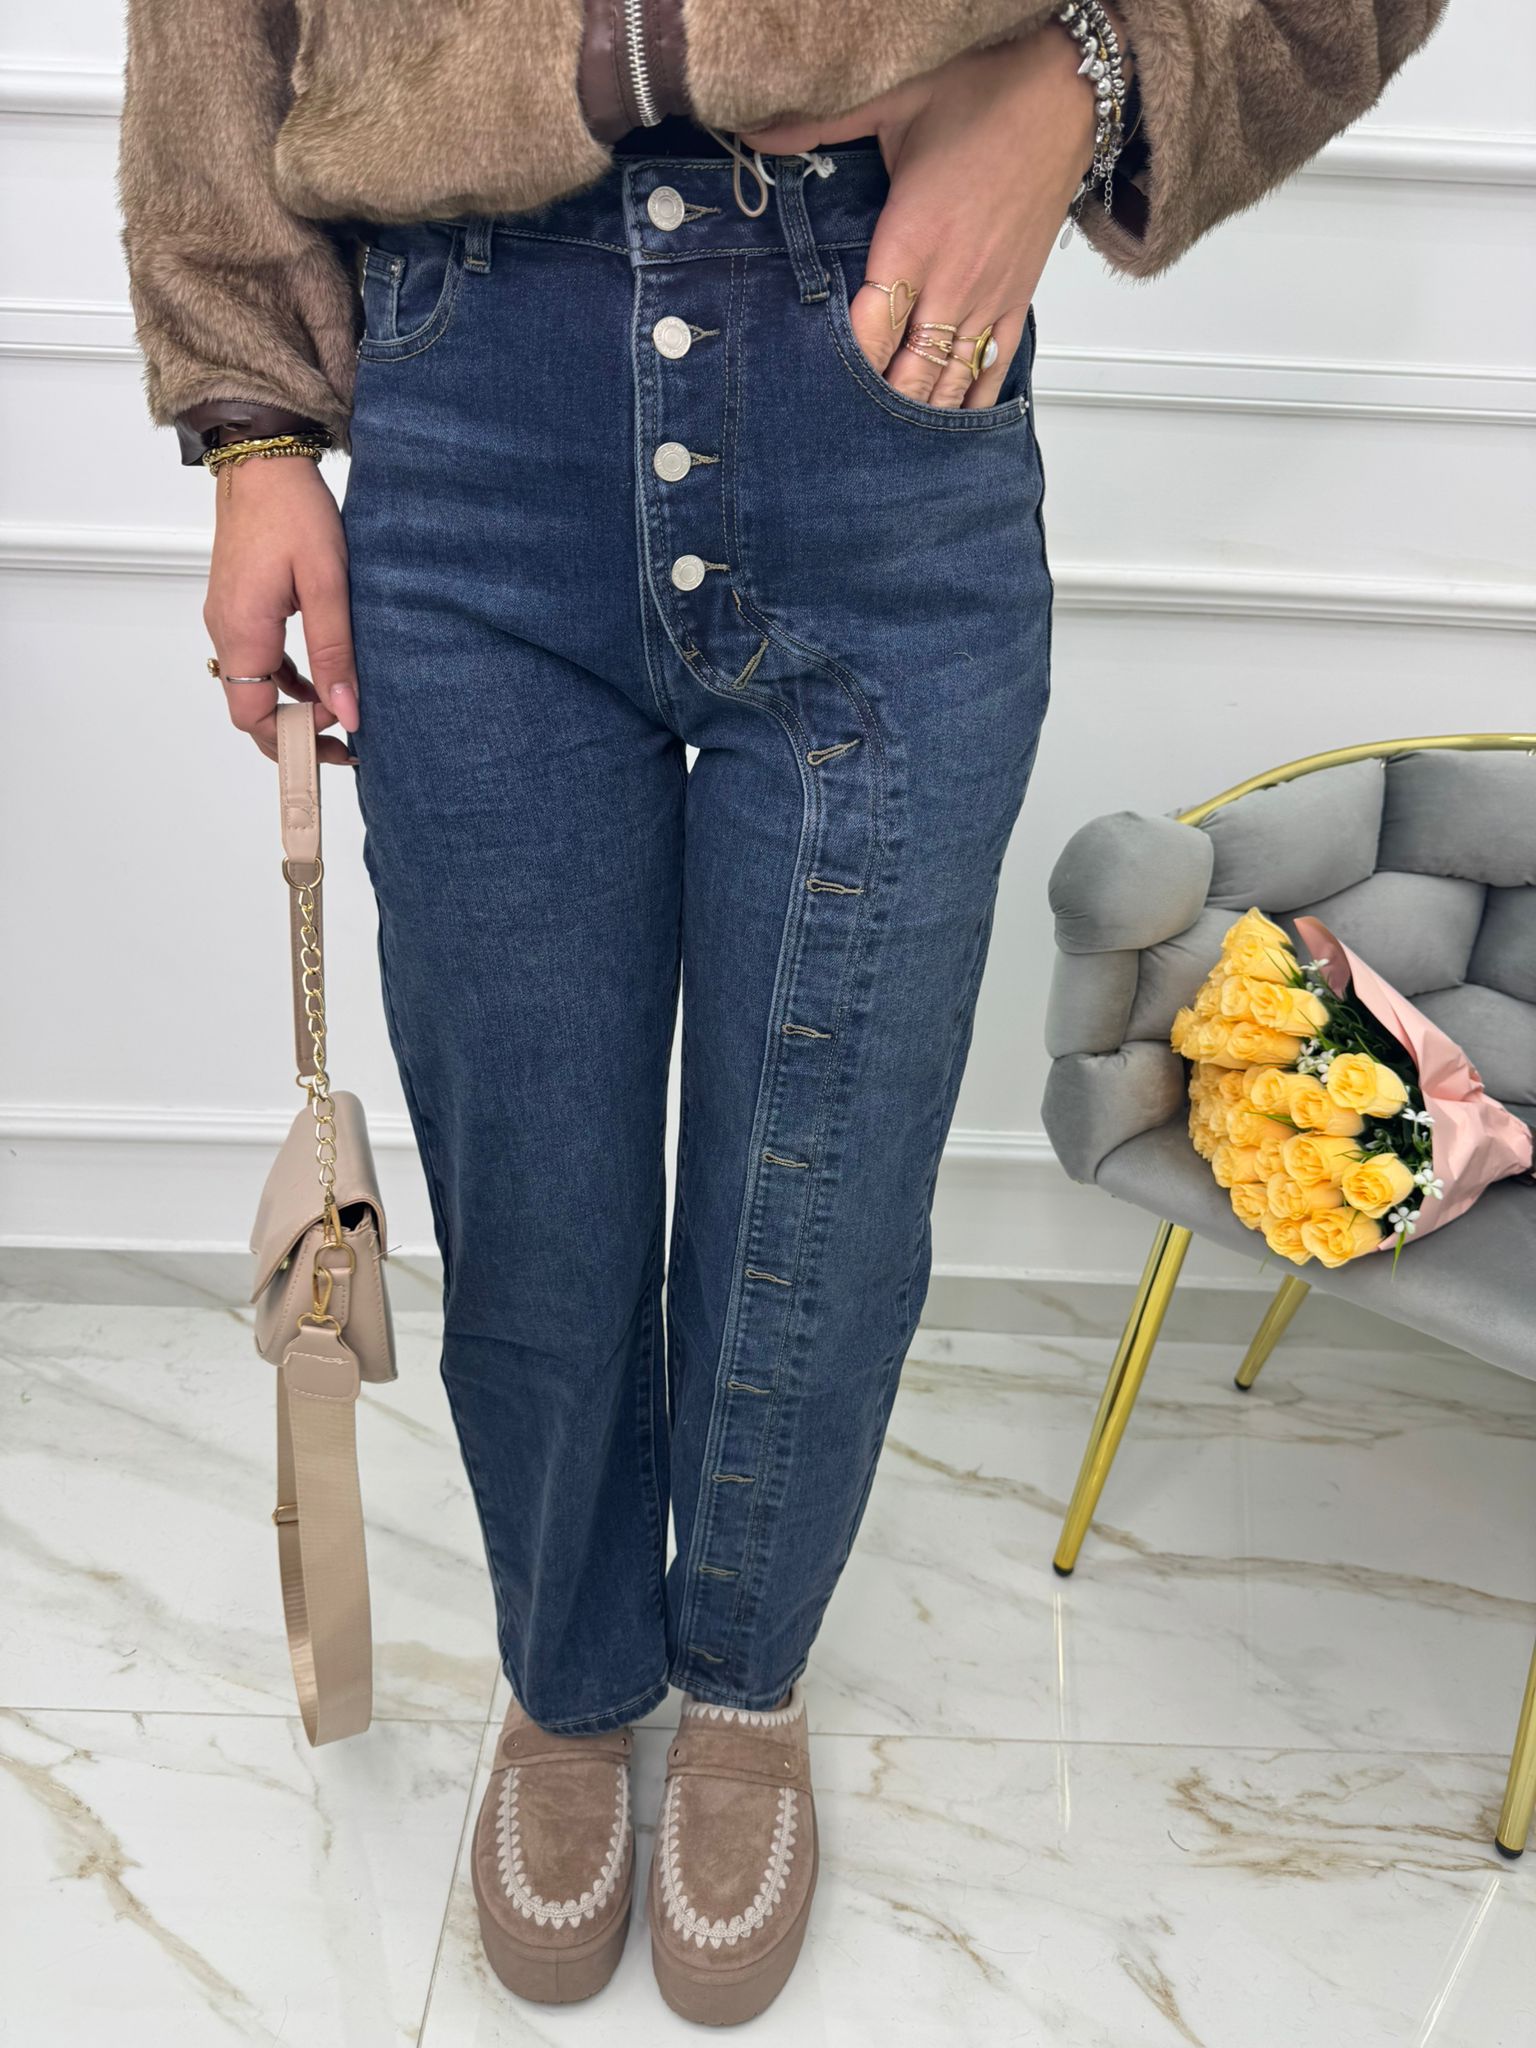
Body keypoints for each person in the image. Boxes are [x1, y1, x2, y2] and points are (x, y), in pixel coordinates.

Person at [119, 0, 1444, 2022]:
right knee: (534, 1173)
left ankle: (745, 1675)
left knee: (820, 1183)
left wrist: (1087, 79)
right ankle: (571, 1679)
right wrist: (254, 423)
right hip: (469, 388)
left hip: (885, 370)